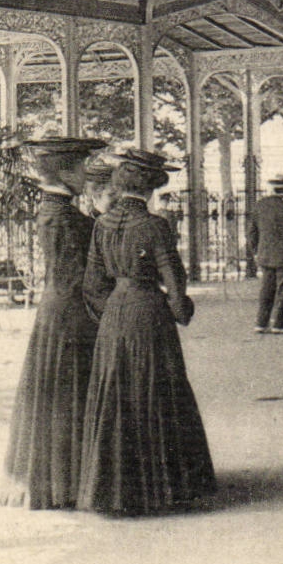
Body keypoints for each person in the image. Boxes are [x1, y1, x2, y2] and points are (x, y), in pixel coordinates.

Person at [78, 148, 215, 516]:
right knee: (156, 388)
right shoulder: (155, 226)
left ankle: (114, 490)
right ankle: (163, 487)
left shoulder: (101, 224)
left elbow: (92, 284)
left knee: (117, 393)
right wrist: (180, 310)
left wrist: (113, 314)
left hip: (115, 316)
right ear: (151, 186)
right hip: (148, 314)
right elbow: (174, 279)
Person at [1, 135, 107, 509]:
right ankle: (69, 483)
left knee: (58, 395)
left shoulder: (55, 210)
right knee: (69, 393)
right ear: (64, 172)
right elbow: (78, 277)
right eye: (79, 168)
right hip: (72, 313)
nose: (84, 175)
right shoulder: (65, 218)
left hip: (58, 309)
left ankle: (66, 480)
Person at [248, 175, 283, 334]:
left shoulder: (259, 206)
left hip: (265, 254)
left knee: (266, 289)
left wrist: (256, 251)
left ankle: (261, 323)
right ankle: (279, 324)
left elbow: (251, 233)